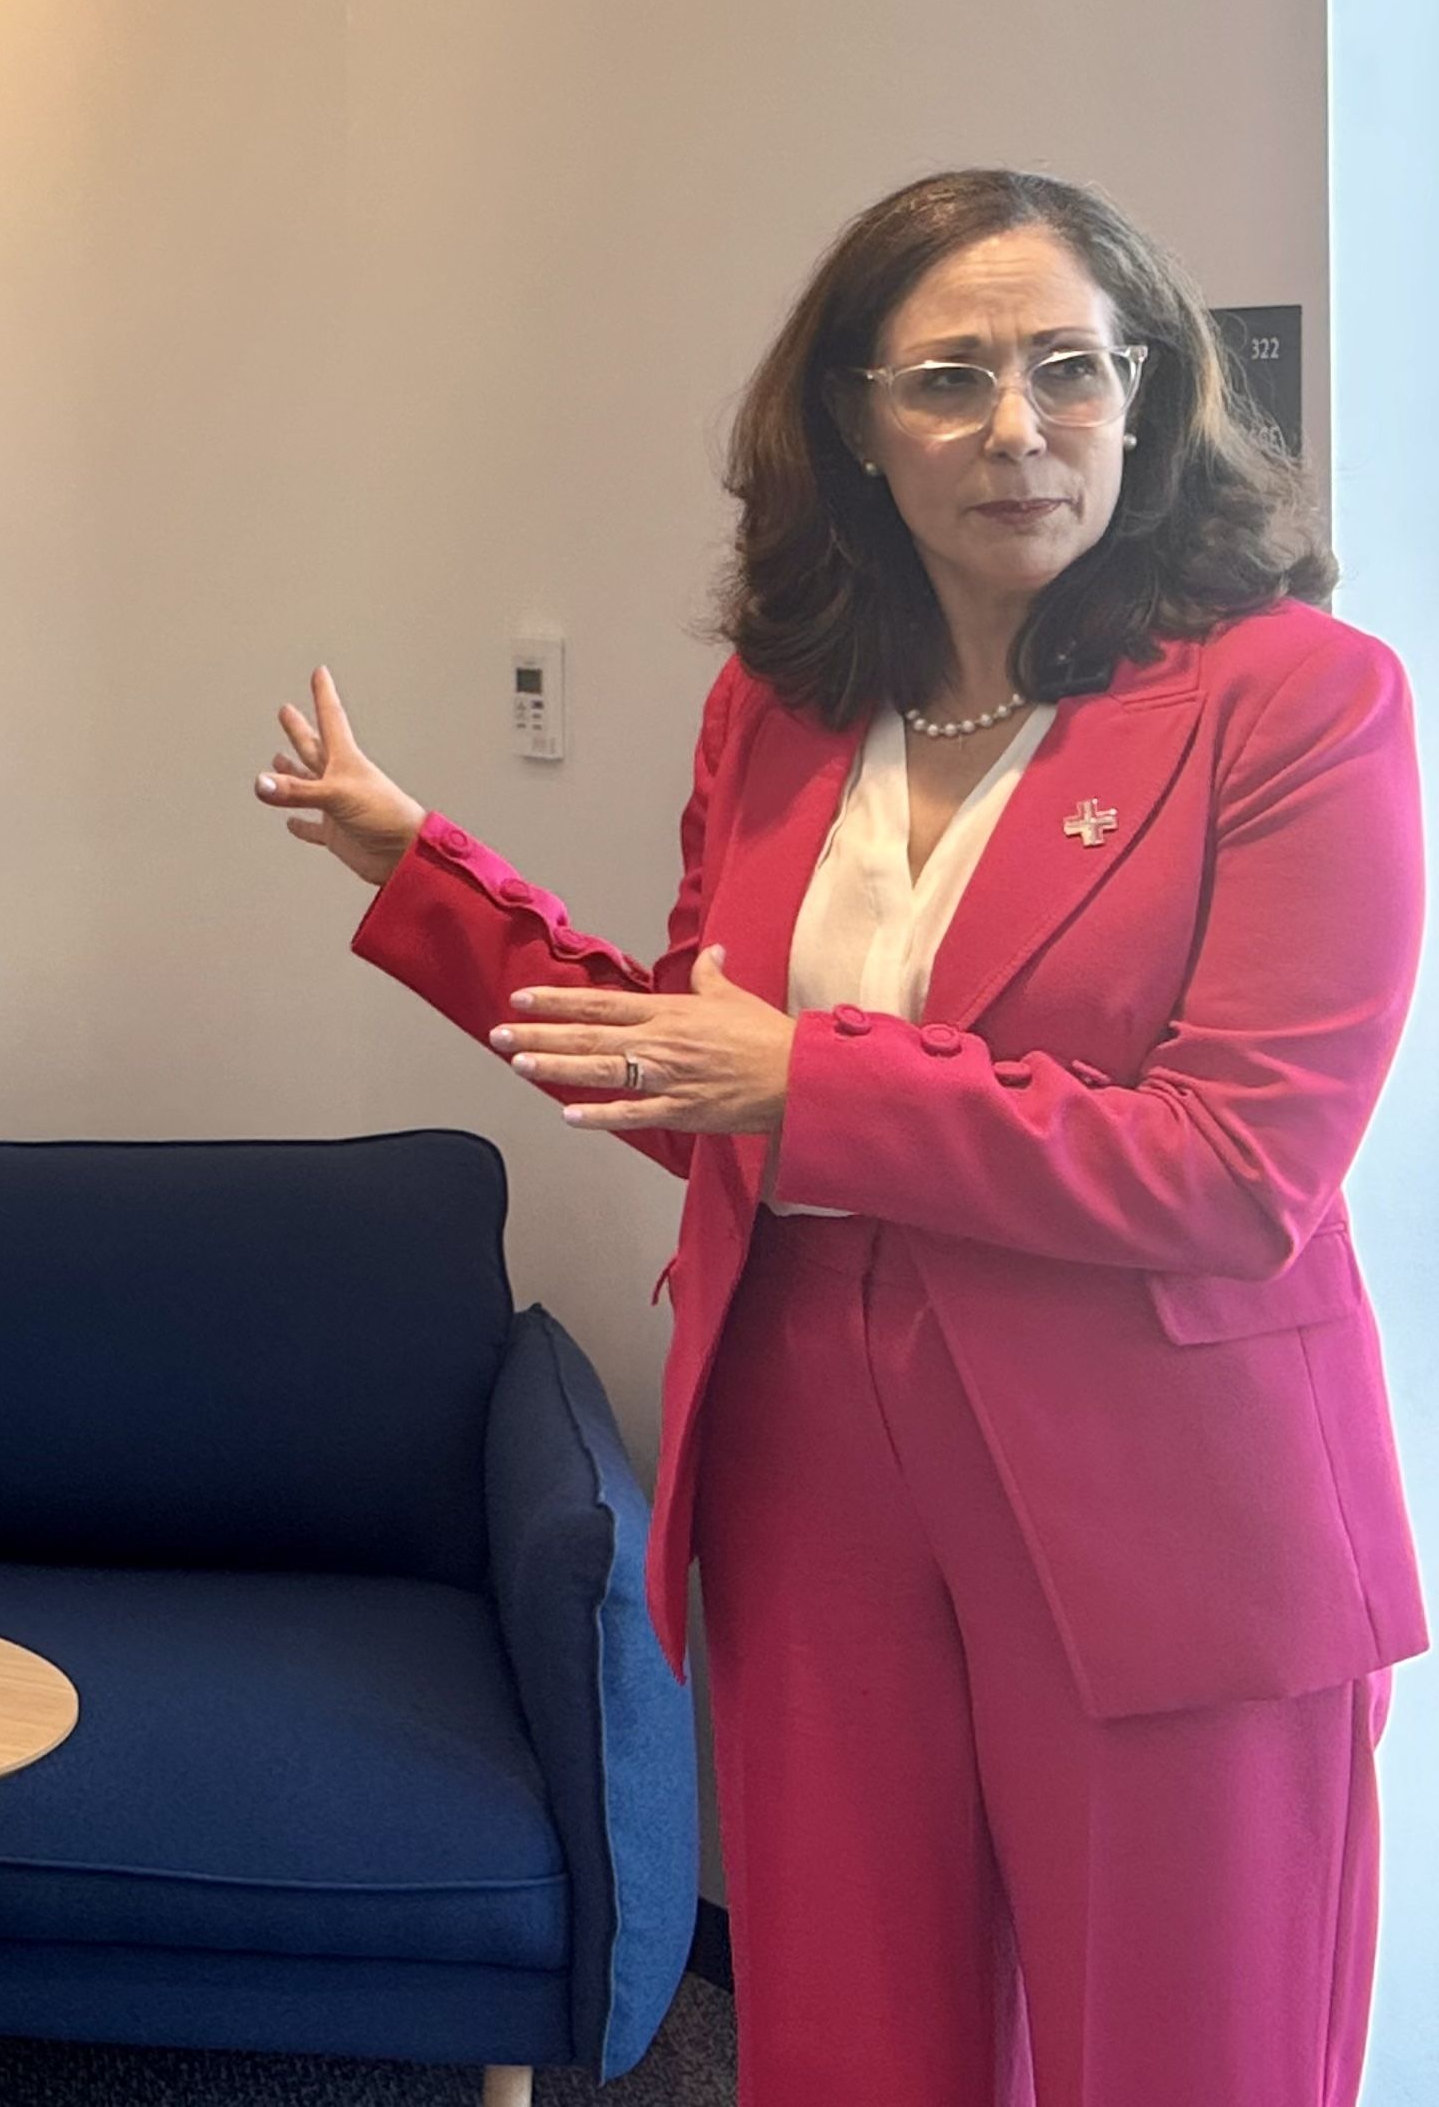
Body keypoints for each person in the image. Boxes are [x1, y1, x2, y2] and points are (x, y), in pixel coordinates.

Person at [255, 169, 1421, 2107]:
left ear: (1150, 396)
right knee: (853, 2056)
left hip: (1171, 1514)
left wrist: (812, 1087)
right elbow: (701, 1080)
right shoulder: (782, 712)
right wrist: (420, 869)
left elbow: (1239, 1172)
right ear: (858, 431)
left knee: (1190, 2064)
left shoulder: (1298, 704)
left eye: (1071, 368)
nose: (1020, 427)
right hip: (818, 1477)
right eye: (950, 378)